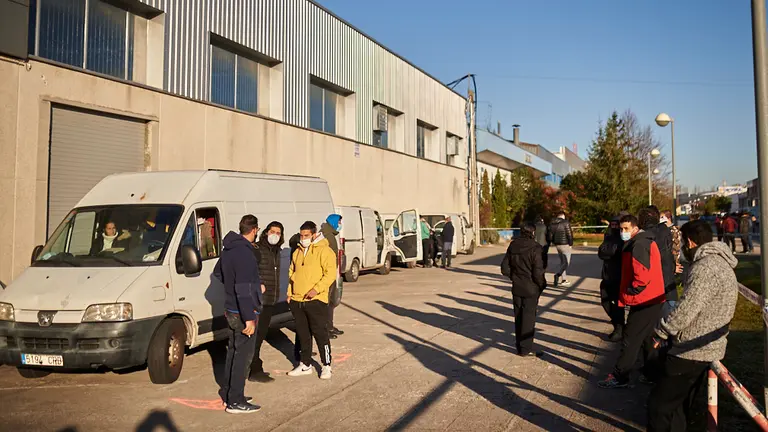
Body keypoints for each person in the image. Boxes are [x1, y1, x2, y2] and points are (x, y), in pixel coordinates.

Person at [647, 220, 738, 431]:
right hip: (706, 345)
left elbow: (686, 309)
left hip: (690, 350)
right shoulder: (719, 263)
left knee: (658, 407)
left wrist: (660, 332)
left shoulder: (706, 268)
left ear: (689, 241)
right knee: (678, 408)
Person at [598, 212, 666, 389]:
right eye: (621, 228)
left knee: (630, 338)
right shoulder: (643, 241)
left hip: (644, 299)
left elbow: (641, 276)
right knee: (646, 337)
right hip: (652, 298)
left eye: (626, 228)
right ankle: (652, 373)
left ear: (635, 228)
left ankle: (620, 376)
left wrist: (631, 290)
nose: (622, 232)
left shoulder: (638, 244)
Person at [216, 215, 262, 413]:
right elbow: (243, 289)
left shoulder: (228, 250)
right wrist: (249, 318)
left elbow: (219, 273)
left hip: (231, 309)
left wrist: (249, 287)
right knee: (241, 356)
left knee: (233, 352)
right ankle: (236, 401)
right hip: (242, 311)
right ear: (254, 230)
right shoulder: (245, 253)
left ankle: (229, 393)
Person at [287, 221, 335, 380]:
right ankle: (305, 364)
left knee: (320, 333)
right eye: (301, 235)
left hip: (316, 300)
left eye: (306, 235)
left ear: (314, 235)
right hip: (297, 299)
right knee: (303, 334)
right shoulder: (298, 252)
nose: (303, 238)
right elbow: (291, 272)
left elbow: (330, 274)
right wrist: (289, 293)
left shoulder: (325, 251)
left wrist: (316, 289)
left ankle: (326, 365)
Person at [502, 223, 546, 357]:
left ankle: (520, 346)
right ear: (533, 233)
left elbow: (504, 268)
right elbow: (538, 271)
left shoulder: (513, 245)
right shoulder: (536, 248)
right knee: (528, 318)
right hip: (531, 287)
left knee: (519, 317)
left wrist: (514, 277)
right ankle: (526, 349)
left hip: (517, 286)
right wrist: (542, 285)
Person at [248, 221, 284, 383]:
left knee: (260, 336)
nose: (274, 235)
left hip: (270, 301)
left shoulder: (276, 251)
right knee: (255, 336)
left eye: (278, 233)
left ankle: (254, 366)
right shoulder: (258, 250)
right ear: (265, 232)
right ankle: (254, 370)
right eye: (272, 231)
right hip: (258, 300)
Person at [598, 216, 624, 342]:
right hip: (607, 275)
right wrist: (610, 251)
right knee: (605, 301)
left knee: (618, 304)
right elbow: (601, 252)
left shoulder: (622, 238)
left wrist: (609, 251)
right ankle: (617, 323)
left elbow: (616, 252)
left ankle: (619, 328)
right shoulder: (608, 236)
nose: (613, 227)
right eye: (612, 224)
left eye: (616, 225)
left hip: (619, 276)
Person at [320, 214, 343, 339]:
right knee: (327, 302)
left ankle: (329, 326)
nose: (340, 225)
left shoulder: (330, 234)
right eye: (339, 222)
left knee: (331, 302)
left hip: (332, 274)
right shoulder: (327, 235)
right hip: (327, 275)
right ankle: (326, 329)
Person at [548, 212, 573, 287]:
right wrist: (570, 243)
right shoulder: (565, 223)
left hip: (557, 245)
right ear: (563, 216)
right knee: (566, 263)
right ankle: (558, 275)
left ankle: (564, 279)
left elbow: (550, 236)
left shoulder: (552, 223)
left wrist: (554, 242)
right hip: (565, 245)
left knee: (562, 262)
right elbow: (569, 234)